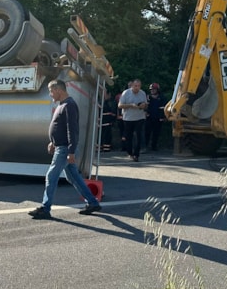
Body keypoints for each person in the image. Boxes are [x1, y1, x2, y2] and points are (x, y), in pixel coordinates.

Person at [28, 79, 103, 219]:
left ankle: (45, 208)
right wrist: (53, 142)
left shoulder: (69, 105)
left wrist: (71, 151)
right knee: (73, 176)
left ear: (59, 90)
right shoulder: (62, 105)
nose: (50, 94)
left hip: (64, 150)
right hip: (61, 147)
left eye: (51, 91)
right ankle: (92, 202)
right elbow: (60, 128)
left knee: (51, 176)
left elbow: (72, 130)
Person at [118, 79, 147, 161]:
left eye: (138, 86)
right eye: (135, 86)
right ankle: (130, 152)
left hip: (139, 117)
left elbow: (146, 104)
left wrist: (143, 105)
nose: (137, 88)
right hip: (128, 118)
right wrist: (130, 105)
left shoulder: (142, 93)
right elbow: (120, 105)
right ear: (132, 86)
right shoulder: (126, 93)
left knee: (138, 136)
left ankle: (136, 155)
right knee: (128, 136)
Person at [145, 82, 165, 151]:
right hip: (149, 118)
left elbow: (164, 108)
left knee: (156, 133)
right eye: (151, 89)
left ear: (157, 90)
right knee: (147, 132)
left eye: (154, 89)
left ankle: (154, 146)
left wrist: (162, 117)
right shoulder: (148, 97)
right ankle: (145, 146)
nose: (152, 91)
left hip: (158, 118)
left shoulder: (162, 98)